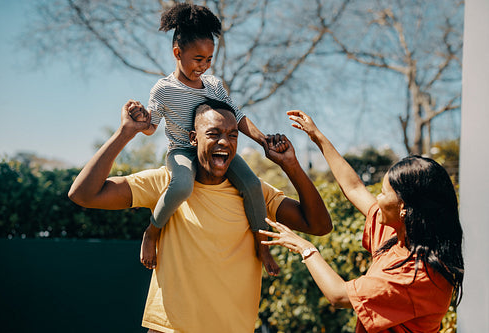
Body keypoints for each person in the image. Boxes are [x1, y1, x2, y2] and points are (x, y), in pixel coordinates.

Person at [68, 100, 332, 332]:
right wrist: (125, 133)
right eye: (213, 133)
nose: (224, 142)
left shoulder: (255, 193)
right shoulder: (167, 182)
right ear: (194, 138)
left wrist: (291, 166)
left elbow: (318, 225)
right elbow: (83, 194)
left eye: (232, 135)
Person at [260, 110, 464, 333]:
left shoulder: (419, 276)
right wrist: (316, 136)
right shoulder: (398, 236)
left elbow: (338, 295)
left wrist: (305, 247)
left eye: (384, 193)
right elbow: (354, 188)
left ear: (404, 208)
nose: (377, 199)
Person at [130, 2, 282, 276]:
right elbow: (151, 127)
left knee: (251, 183)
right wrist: (141, 118)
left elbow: (237, 116)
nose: (204, 66)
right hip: (182, 151)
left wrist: (263, 140)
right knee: (181, 187)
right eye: (198, 59)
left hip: (215, 151)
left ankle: (262, 246)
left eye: (209, 59)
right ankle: (152, 231)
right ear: (177, 52)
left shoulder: (213, 85)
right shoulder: (164, 89)